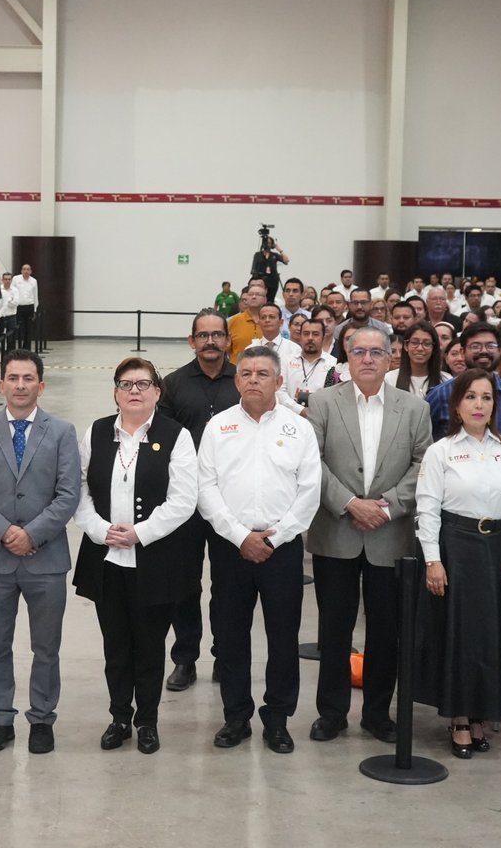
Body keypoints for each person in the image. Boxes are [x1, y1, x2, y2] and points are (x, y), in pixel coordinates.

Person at [305, 326, 431, 744]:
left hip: (389, 534)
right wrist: (349, 503)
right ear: (347, 355)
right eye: (359, 351)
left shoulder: (414, 408)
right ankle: (332, 713)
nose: (368, 359)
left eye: (377, 352)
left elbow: (423, 465)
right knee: (334, 629)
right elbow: (312, 462)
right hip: (336, 531)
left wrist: (387, 506)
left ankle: (377, 714)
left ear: (391, 357)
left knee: (385, 630)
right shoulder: (323, 402)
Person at [196, 345, 321, 753]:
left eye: (262, 374)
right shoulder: (218, 427)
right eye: (246, 373)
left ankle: (278, 719)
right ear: (236, 381)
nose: (253, 380)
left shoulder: (299, 429)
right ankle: (236, 717)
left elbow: (309, 491)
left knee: (283, 636)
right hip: (231, 547)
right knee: (231, 635)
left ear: (279, 381)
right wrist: (239, 536)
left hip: (281, 549)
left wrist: (275, 537)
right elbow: (205, 487)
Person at [72, 358, 200, 754]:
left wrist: (140, 533)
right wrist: (100, 530)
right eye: (126, 384)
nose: (134, 391)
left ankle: (147, 721)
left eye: (143, 384)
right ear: (115, 392)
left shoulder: (176, 436)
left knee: (149, 646)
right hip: (106, 559)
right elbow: (78, 489)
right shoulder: (96, 432)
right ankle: (118, 718)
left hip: (156, 560)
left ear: (157, 393)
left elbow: (184, 499)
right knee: (115, 646)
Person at [0, 349, 81, 754]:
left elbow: (68, 495)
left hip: (46, 560)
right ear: (1, 384)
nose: (20, 385)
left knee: (46, 647)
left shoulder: (61, 432)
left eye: (28, 378)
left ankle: (42, 719)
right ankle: (0, 719)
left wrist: (32, 535)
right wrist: (5, 532)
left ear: (41, 385)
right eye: (13, 378)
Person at [414, 369, 501, 759]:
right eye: (471, 397)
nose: (479, 405)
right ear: (456, 405)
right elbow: (427, 508)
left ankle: (483, 713)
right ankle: (460, 717)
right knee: (460, 635)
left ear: (495, 405)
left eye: (486, 397)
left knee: (494, 634)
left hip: (498, 548)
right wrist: (433, 560)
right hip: (457, 546)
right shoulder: (441, 451)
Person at [158, 309, 239, 691]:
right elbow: (161, 440)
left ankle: (225, 657)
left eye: (216, 335)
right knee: (184, 583)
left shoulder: (242, 381)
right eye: (203, 335)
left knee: (228, 584)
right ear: (192, 341)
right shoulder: (173, 385)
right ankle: (185, 659)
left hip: (230, 500)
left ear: (227, 340)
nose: (210, 341)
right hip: (185, 501)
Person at [424, 324, 501, 440]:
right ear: (462, 352)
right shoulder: (440, 394)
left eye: (491, 346)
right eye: (475, 346)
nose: (484, 351)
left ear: (500, 351)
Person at [385, 321, 442, 398]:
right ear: (406, 346)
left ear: (434, 348)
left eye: (426, 343)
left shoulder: (446, 380)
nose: (420, 348)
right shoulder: (389, 379)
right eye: (415, 342)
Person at [9, 263, 39, 351]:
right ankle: (15, 349)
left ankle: (27, 349)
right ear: (21, 271)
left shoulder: (34, 281)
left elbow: (35, 296)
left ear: (31, 271)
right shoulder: (16, 279)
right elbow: (12, 292)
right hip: (18, 307)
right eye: (24, 269)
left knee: (28, 329)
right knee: (17, 328)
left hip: (29, 306)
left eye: (28, 269)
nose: (26, 271)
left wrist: (35, 310)